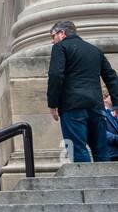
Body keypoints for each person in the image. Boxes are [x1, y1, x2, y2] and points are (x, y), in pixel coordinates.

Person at [47, 20, 118, 163]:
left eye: (53, 36)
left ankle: (87, 185)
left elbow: (55, 75)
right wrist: (116, 104)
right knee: (101, 151)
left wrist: (52, 104)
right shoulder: (95, 51)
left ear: (62, 33)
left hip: (72, 107)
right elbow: (111, 77)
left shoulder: (60, 48)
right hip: (96, 108)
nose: (52, 41)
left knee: (77, 150)